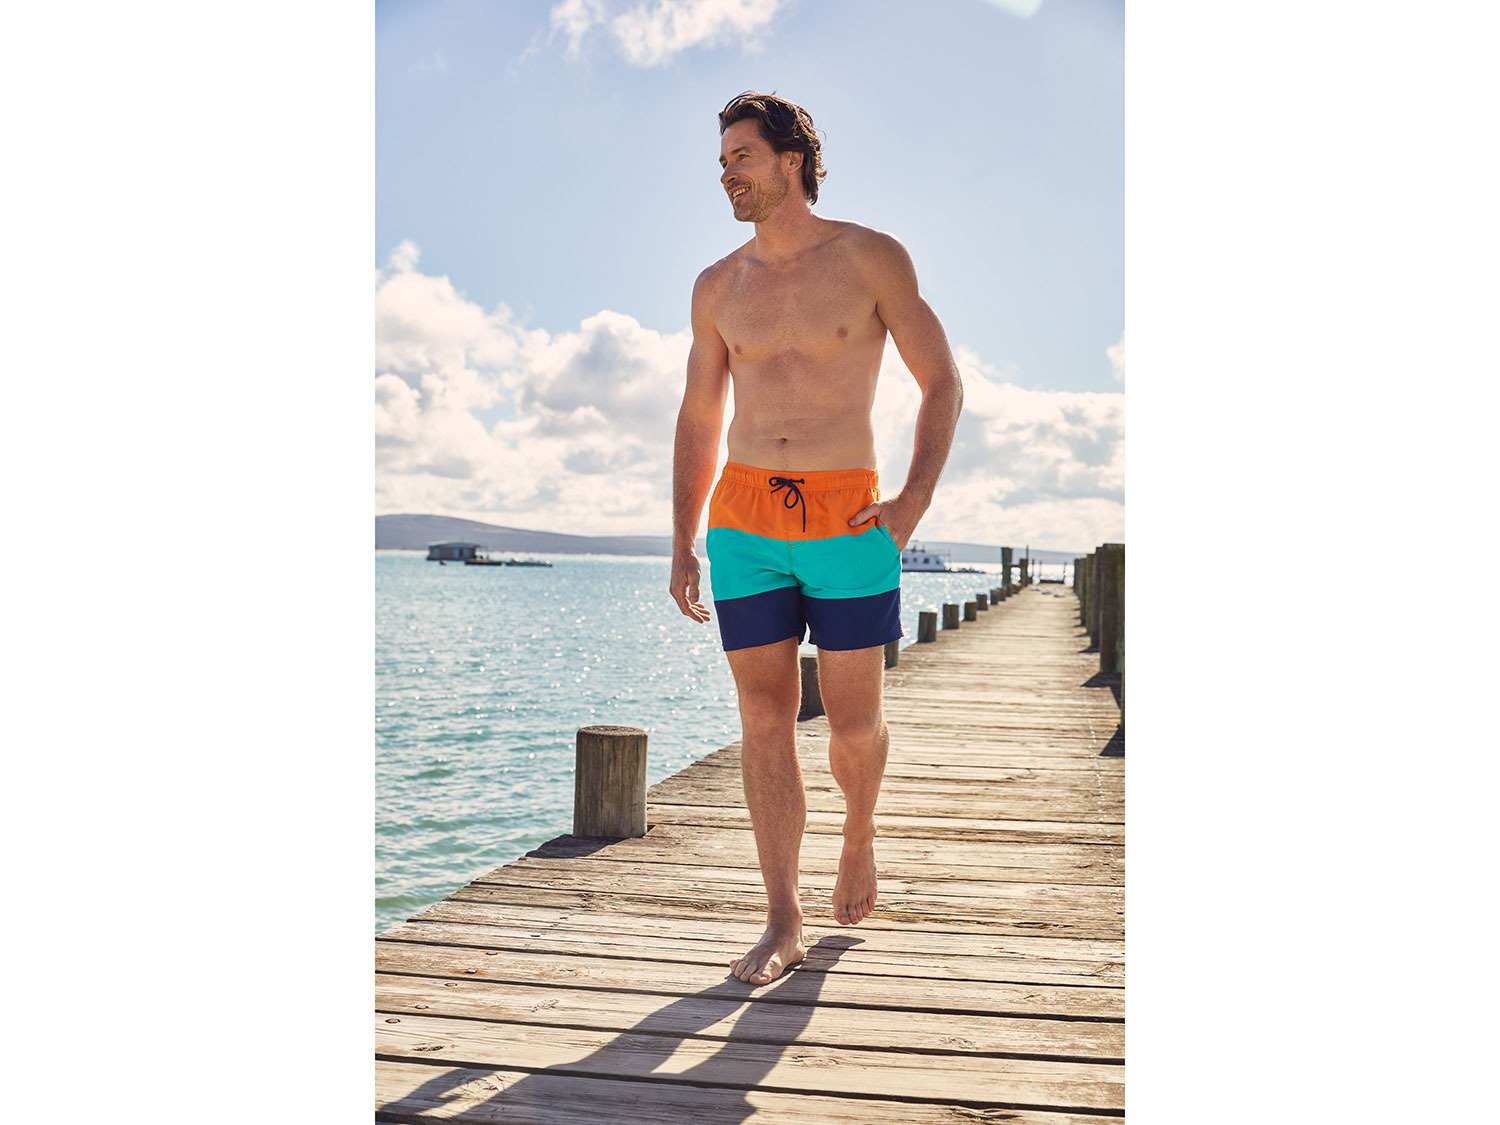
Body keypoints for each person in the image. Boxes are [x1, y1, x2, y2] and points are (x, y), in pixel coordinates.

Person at [670, 92, 964, 986]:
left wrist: (910, 501)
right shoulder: (718, 286)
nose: (727, 174)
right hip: (745, 519)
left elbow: (942, 381)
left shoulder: (871, 258)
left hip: (847, 516)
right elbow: (699, 417)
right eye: (722, 160)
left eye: (742, 157)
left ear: (792, 159)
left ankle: (859, 833)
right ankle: (782, 917)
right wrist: (683, 539)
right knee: (764, 718)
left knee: (853, 721)